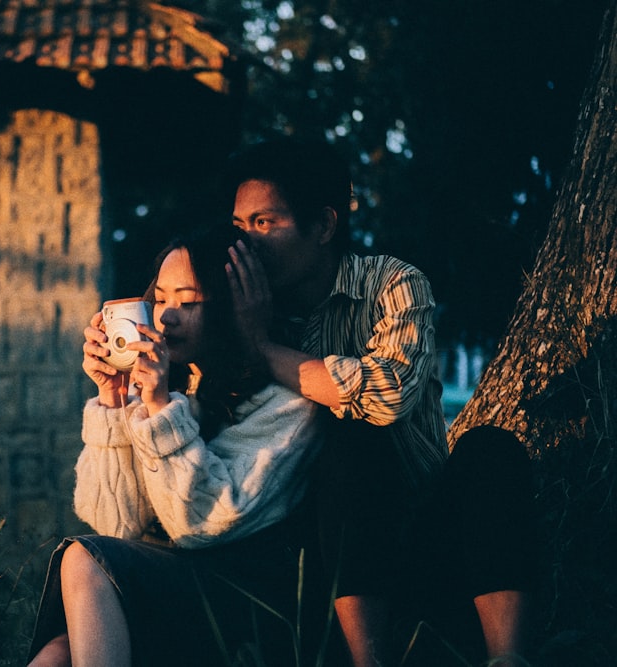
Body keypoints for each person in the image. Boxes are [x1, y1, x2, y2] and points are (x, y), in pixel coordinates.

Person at [222, 137, 538, 666]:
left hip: (423, 534)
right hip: (314, 559)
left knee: (488, 448)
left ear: (323, 226)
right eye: (239, 227)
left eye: (264, 223)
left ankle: (507, 659)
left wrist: (263, 350)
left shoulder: (393, 283)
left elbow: (385, 395)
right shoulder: (240, 307)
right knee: (341, 441)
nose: (247, 245)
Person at [26, 225, 329, 667]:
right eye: (161, 299)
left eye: (188, 302)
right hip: (173, 589)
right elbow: (115, 527)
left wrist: (158, 406)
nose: (166, 317)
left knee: (82, 558)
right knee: (56, 654)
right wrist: (113, 399)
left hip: (245, 611)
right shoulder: (167, 391)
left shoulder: (288, 406)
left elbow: (200, 524)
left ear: (233, 307)